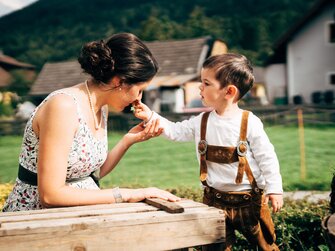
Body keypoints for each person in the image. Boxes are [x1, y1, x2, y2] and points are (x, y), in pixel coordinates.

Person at [2, 33, 180, 212]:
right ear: (120, 82)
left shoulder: (100, 107)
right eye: (140, 90)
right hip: (36, 219)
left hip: (80, 215)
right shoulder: (63, 107)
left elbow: (89, 174)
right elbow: (50, 195)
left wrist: (128, 140)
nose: (139, 99)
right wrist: (127, 194)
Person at [133, 53, 283, 250]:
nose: (199, 87)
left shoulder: (250, 122)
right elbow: (175, 131)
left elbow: (267, 157)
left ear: (229, 91)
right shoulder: (201, 121)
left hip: (249, 201)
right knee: (214, 247)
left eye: (206, 83)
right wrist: (150, 116)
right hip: (214, 200)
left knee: (266, 246)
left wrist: (274, 189)